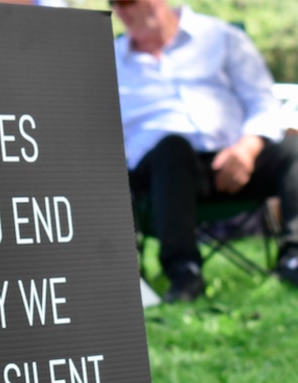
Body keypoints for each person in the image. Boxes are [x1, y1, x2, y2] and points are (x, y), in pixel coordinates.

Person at [112, 0, 298, 302]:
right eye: (114, 4)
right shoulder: (109, 61)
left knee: (294, 148)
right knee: (172, 147)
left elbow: (264, 102)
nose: (121, 10)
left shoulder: (222, 37)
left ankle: (294, 259)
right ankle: (184, 271)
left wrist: (247, 148)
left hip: (232, 160)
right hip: (156, 174)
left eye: (128, 2)